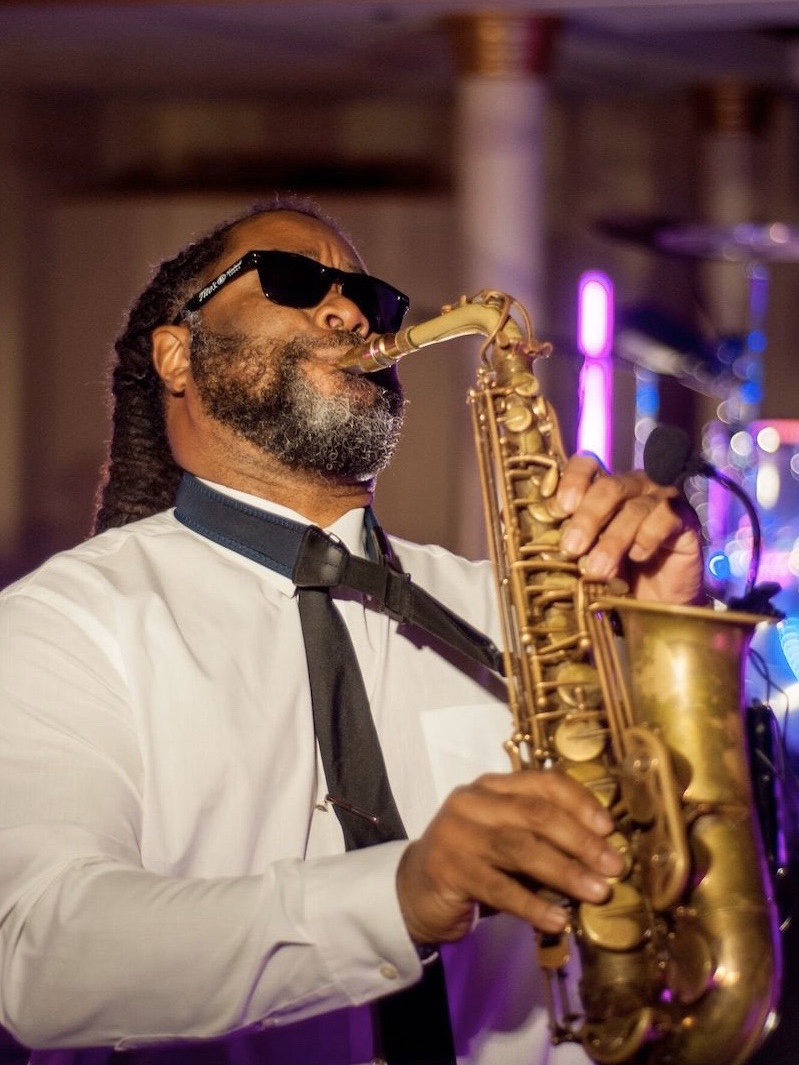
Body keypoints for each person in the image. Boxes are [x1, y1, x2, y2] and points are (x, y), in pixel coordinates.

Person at [0, 195, 704, 1065]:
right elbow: (40, 957)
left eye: (369, 298)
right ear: (176, 354)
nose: (348, 311)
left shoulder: (519, 604)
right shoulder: (66, 623)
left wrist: (661, 628)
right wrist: (398, 895)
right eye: (296, 281)